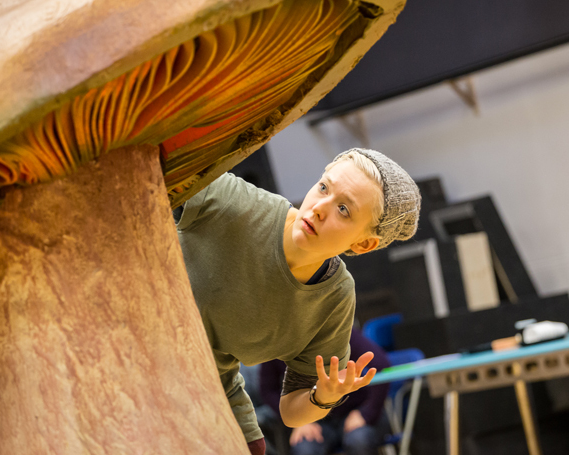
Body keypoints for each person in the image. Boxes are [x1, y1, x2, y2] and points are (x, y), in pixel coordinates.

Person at [175, 148, 420, 455]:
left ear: (362, 244)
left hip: (207, 390)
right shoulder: (237, 204)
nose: (319, 208)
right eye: (324, 188)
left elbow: (293, 411)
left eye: (344, 210)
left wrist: (323, 397)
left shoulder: (333, 298)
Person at [260, 327, 392, 455]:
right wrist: (297, 419)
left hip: (354, 411)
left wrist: (366, 413)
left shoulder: (336, 329)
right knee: (304, 447)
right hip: (313, 417)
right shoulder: (279, 344)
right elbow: (268, 390)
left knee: (359, 440)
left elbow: (381, 364)